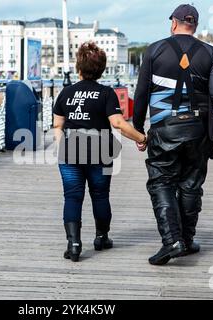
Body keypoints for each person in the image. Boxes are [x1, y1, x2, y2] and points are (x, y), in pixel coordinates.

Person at [133, 4, 213, 265]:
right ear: (195, 25)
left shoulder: (154, 50)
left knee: (161, 181)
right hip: (199, 130)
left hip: (165, 127)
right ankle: (186, 240)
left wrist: (139, 129)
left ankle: (171, 241)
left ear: (173, 23)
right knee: (191, 184)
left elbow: (141, 94)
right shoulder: (210, 52)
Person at [53, 42, 147, 263]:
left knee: (72, 197)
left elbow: (58, 125)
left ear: (78, 67)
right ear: (102, 69)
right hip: (100, 151)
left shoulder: (66, 93)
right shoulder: (106, 94)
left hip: (70, 152)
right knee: (100, 195)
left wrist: (62, 147)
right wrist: (142, 138)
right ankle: (101, 237)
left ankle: (74, 244)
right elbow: (118, 123)